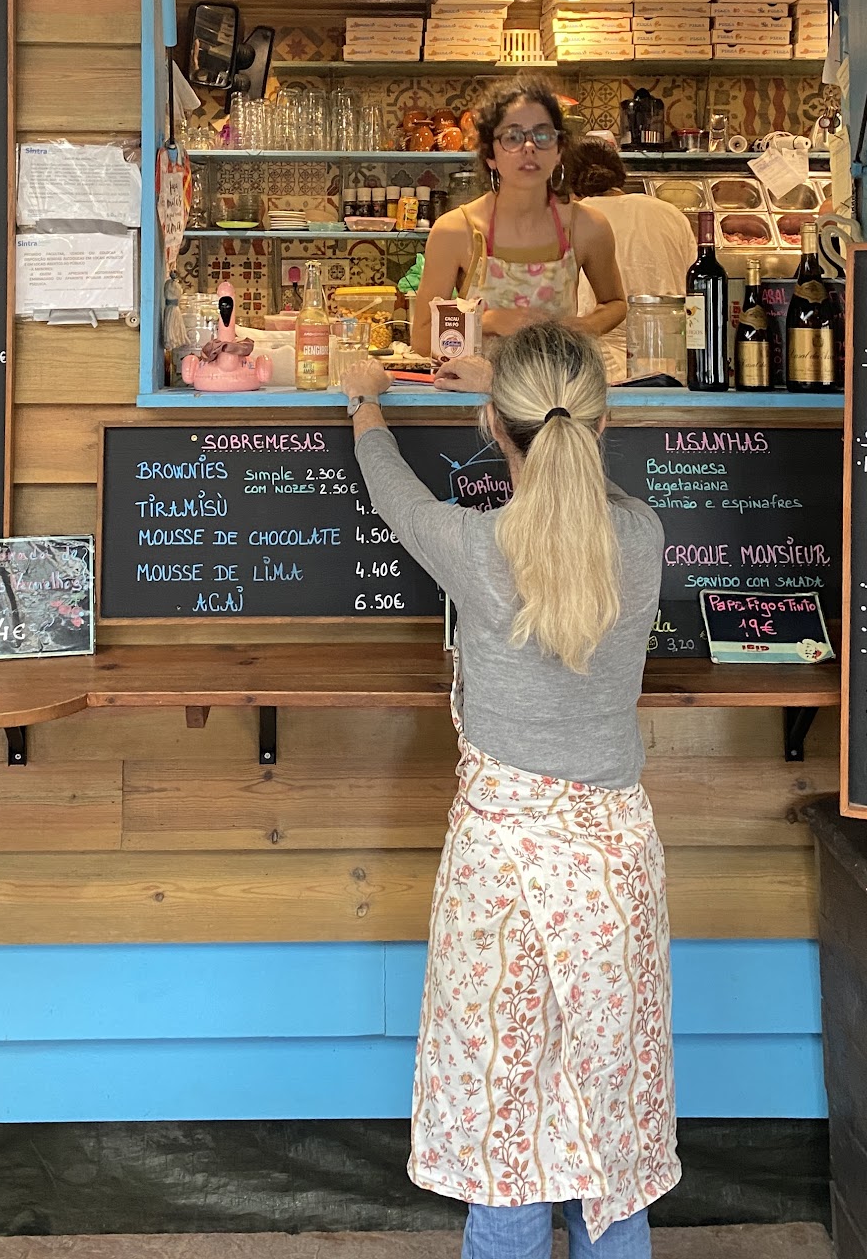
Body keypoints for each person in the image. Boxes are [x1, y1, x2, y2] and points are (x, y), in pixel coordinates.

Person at [342, 325, 678, 1258]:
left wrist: (366, 399)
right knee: (610, 1126)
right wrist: (517, 396)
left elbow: (395, 494)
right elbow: (581, 480)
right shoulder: (643, 536)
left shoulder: (476, 546)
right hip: (613, 871)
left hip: (500, 873)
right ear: (601, 426)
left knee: (504, 1139)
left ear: (495, 426)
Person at [410, 81, 626, 359]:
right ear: (490, 155)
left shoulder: (586, 227)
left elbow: (615, 303)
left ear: (559, 150)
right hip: (476, 385)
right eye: (512, 137)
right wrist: (487, 321)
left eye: (543, 135)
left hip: (556, 384)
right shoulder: (455, 231)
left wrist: (582, 328)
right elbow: (422, 338)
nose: (529, 147)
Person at [564, 136, 698, 385]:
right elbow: (696, 292)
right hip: (673, 364)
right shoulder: (671, 213)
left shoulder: (579, 219)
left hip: (601, 368)